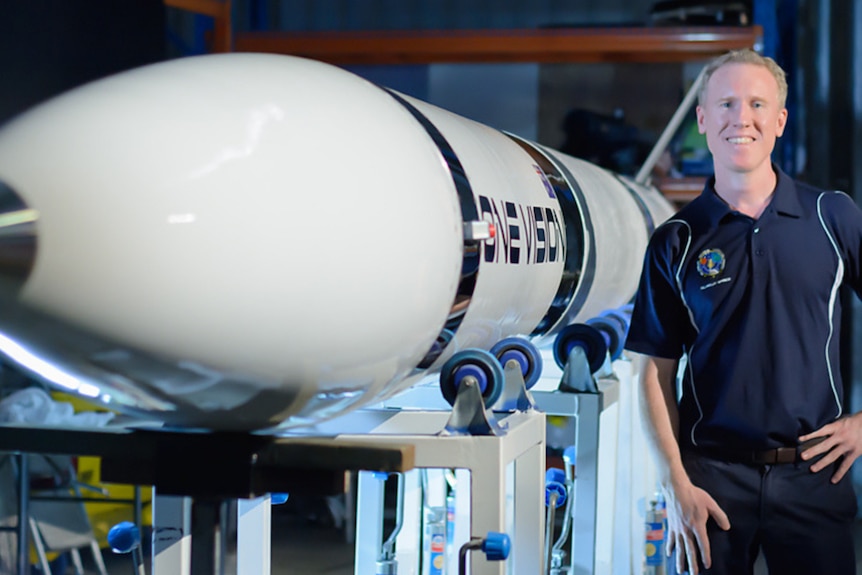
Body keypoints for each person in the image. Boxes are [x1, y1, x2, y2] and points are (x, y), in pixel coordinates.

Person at [625, 48, 862, 575]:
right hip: (711, 479)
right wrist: (675, 479)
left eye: (757, 103)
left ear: (779, 121)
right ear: (704, 120)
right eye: (727, 103)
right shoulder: (676, 240)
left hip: (814, 476)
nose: (742, 118)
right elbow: (655, 373)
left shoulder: (832, 217)